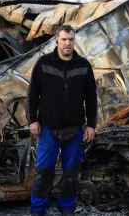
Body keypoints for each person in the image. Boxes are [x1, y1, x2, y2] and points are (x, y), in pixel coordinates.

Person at [26, 24, 97, 215]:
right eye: (64, 39)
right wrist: (33, 119)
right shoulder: (43, 63)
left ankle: (67, 209)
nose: (67, 43)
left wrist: (91, 124)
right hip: (48, 128)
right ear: (56, 40)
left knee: (71, 173)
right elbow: (32, 94)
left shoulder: (83, 66)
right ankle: (38, 209)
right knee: (43, 171)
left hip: (74, 129)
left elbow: (91, 98)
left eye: (71, 39)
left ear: (74, 41)